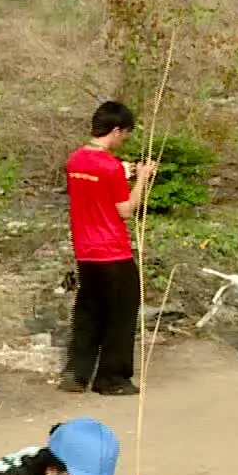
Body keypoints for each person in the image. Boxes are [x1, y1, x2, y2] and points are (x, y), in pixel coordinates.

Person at [61, 102, 156, 396]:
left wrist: (124, 171)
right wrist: (142, 178)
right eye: (124, 134)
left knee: (89, 312)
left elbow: (97, 185)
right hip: (113, 251)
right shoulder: (111, 167)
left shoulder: (75, 160)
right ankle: (111, 378)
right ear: (116, 130)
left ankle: (77, 373)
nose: (122, 140)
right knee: (121, 315)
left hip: (86, 250)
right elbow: (126, 209)